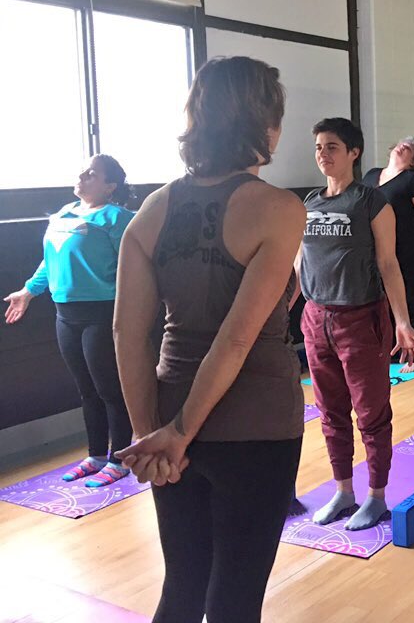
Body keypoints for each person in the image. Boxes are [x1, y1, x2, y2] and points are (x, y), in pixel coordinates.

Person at [113, 57, 307, 623]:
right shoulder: (278, 208)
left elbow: (128, 333)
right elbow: (237, 340)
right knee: (235, 598)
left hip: (170, 413)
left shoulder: (150, 211)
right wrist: (173, 432)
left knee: (184, 586)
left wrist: (152, 431)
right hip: (256, 426)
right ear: (263, 122)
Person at [297, 117, 414, 529]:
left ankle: (376, 496)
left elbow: (389, 264)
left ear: (353, 153)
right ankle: (343, 491)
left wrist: (402, 322)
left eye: (332, 146)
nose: (323, 154)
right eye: (318, 146)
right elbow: (300, 265)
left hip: (360, 320)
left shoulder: (371, 202)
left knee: (371, 414)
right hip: (317, 320)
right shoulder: (309, 204)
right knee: (329, 412)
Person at [4, 156, 134, 487]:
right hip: (66, 314)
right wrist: (28, 292)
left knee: (109, 389)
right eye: (83, 171)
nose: (82, 176)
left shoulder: (116, 218)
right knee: (86, 390)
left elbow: (133, 267)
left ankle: (119, 457)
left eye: (92, 174)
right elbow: (50, 262)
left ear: (110, 186)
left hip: (101, 313)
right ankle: (94, 455)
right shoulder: (63, 214)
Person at [362, 137, 414, 372]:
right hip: (372, 248)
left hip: (404, 248)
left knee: (408, 299)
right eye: (401, 143)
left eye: (410, 147)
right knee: (377, 300)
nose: (403, 146)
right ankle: (387, 349)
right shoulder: (371, 175)